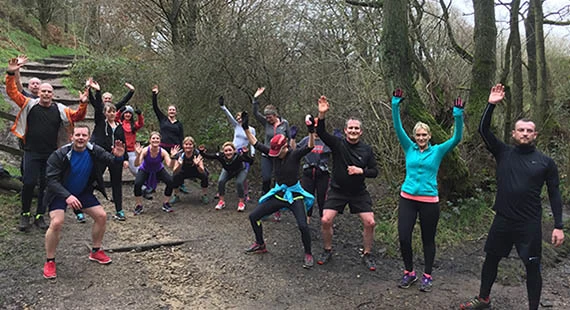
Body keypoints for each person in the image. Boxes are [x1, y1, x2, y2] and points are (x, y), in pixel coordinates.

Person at [459, 84, 564, 310]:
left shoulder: (546, 162)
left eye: (529, 130)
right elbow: (483, 131)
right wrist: (491, 104)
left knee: (533, 267)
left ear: (535, 135)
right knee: (491, 260)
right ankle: (483, 299)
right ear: (514, 134)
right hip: (503, 220)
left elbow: (555, 193)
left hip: (530, 223)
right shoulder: (503, 152)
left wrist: (558, 225)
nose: (525, 133)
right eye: (521, 130)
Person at [391, 89, 464, 292]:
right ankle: (409, 272)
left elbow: (457, 138)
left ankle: (427, 275)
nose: (421, 137)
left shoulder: (438, 150)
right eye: (418, 135)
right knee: (404, 236)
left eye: (424, 135)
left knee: (427, 239)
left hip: (429, 201)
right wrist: (395, 105)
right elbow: (397, 127)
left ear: (429, 136)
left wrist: (457, 115)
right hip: (407, 198)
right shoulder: (408, 147)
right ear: (414, 137)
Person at [5, 58, 88, 231]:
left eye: (49, 92)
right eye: (43, 91)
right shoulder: (29, 104)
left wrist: (83, 103)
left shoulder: (60, 109)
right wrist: (11, 73)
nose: (46, 94)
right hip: (31, 151)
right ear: (38, 93)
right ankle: (25, 214)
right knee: (28, 182)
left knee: (47, 185)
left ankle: (40, 215)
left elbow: (77, 117)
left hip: (51, 154)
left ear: (53, 94)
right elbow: (12, 92)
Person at [42, 125, 125, 279]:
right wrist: (67, 196)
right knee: (57, 222)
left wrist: (119, 157)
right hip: (60, 193)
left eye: (84, 135)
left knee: (101, 216)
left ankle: (96, 251)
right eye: (78, 135)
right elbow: (51, 181)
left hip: (82, 191)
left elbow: (112, 162)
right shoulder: (60, 154)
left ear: (88, 137)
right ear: (71, 137)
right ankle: (50, 261)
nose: (81, 138)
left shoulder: (94, 150)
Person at [242, 111, 316, 269]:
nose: (275, 155)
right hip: (279, 193)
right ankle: (260, 244)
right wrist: (245, 127)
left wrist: (311, 131)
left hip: (295, 195)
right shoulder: (274, 153)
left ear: (286, 146)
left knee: (303, 226)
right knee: (254, 216)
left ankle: (308, 253)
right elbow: (256, 143)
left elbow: (310, 146)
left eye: (278, 152)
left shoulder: (294, 155)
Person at [315, 96, 378, 271]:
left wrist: (361, 171)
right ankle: (327, 250)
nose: (353, 131)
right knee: (326, 220)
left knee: (370, 222)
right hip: (337, 190)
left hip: (358, 192)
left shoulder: (367, 150)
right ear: (345, 130)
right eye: (350, 128)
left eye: (356, 128)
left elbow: (374, 172)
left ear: (361, 132)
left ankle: (367, 254)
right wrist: (321, 114)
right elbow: (321, 133)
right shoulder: (337, 144)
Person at [74, 79, 128, 222]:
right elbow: (98, 107)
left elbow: (124, 143)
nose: (111, 113)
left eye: (113, 111)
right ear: (104, 113)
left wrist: (125, 158)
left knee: (117, 183)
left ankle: (119, 210)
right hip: (100, 155)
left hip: (115, 157)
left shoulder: (119, 127)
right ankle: (78, 210)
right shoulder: (100, 122)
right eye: (108, 111)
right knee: (91, 181)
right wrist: (97, 91)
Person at [252, 87, 290, 221]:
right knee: (266, 179)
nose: (268, 119)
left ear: (276, 115)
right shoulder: (266, 123)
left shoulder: (284, 124)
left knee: (277, 181)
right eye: (266, 117)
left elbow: (289, 139)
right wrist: (255, 98)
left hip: (280, 156)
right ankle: (263, 206)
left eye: (270, 117)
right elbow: (255, 114)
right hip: (267, 154)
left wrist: (288, 153)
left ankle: (276, 209)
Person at [218, 96, 256, 200]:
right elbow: (229, 116)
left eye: (241, 118)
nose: (239, 120)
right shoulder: (236, 126)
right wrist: (223, 107)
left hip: (243, 152)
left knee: (242, 175)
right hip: (232, 151)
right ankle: (220, 190)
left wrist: (252, 154)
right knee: (226, 168)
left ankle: (245, 194)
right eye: (238, 118)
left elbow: (253, 142)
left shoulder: (251, 129)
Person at [152, 85, 187, 194]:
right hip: (162, 146)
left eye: (173, 110)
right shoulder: (163, 119)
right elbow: (155, 108)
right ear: (167, 111)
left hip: (175, 148)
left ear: (176, 112)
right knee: (155, 164)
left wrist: (182, 148)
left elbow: (181, 136)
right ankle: (151, 185)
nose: (171, 111)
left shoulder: (179, 124)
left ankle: (180, 184)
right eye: (170, 110)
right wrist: (154, 94)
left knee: (178, 167)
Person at [199, 142, 254, 211]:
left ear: (234, 151)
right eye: (226, 151)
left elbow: (251, 161)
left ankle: (241, 202)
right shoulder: (220, 156)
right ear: (223, 152)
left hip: (240, 170)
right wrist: (202, 152)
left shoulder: (239, 156)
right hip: (228, 170)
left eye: (230, 150)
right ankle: (221, 201)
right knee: (221, 181)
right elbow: (209, 156)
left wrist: (245, 154)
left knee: (239, 183)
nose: (228, 152)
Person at [133, 132, 176, 214]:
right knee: (137, 184)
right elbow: (136, 164)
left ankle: (166, 203)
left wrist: (173, 157)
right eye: (153, 138)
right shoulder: (145, 150)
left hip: (158, 169)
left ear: (160, 141)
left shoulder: (163, 152)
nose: (155, 140)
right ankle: (139, 205)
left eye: (157, 138)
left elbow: (170, 165)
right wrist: (138, 154)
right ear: (150, 140)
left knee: (170, 182)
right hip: (145, 169)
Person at [294, 131, 332, 223]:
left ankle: (324, 219)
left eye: (318, 128)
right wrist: (292, 139)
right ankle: (306, 219)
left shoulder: (326, 141)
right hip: (308, 172)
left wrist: (339, 139)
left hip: (322, 173)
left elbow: (337, 150)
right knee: (307, 196)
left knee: (322, 198)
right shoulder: (306, 140)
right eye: (314, 128)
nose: (316, 131)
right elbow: (295, 150)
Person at [166, 136, 210, 205]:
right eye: (186, 144)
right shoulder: (180, 154)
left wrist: (197, 164)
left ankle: (204, 195)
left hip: (195, 170)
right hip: (183, 171)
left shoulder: (197, 153)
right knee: (175, 176)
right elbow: (174, 170)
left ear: (193, 145)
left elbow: (202, 170)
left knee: (204, 175)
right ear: (183, 145)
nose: (188, 146)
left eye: (190, 144)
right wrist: (180, 164)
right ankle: (176, 196)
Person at [116, 105, 144, 176]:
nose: (128, 114)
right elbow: (115, 118)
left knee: (136, 170)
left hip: (130, 151)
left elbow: (141, 124)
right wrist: (120, 111)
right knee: (116, 171)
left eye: (130, 113)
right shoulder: (119, 123)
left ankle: (143, 185)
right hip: (120, 150)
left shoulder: (134, 125)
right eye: (126, 113)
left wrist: (139, 115)